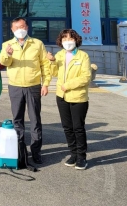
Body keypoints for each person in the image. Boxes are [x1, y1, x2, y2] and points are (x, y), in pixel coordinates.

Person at [0, 17, 52, 164]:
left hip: (33, 85)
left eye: (22, 26)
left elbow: (45, 64)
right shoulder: (7, 44)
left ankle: (36, 151)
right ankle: (19, 150)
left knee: (35, 119)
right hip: (15, 86)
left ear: (27, 27)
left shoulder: (37, 44)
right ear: (12, 30)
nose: (19, 30)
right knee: (17, 119)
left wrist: (45, 84)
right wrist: (7, 54)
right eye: (16, 27)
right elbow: (4, 62)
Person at [47, 29, 91, 170]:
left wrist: (68, 85)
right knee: (67, 127)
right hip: (62, 96)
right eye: (64, 39)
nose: (67, 41)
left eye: (70, 38)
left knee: (78, 127)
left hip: (78, 97)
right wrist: (52, 62)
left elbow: (86, 77)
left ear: (76, 40)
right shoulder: (59, 55)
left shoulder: (83, 56)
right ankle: (73, 154)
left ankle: (81, 157)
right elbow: (54, 73)